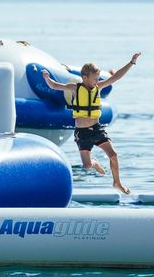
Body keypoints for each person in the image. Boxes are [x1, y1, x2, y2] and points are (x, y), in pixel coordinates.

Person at [42, 52, 141, 194]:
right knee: (87, 166)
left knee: (113, 155)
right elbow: (54, 86)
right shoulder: (74, 88)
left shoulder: (98, 87)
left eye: (97, 78)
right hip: (81, 133)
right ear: (84, 78)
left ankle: (117, 182)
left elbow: (116, 77)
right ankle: (94, 162)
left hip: (96, 128)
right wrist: (47, 77)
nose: (97, 81)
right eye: (94, 78)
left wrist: (131, 62)